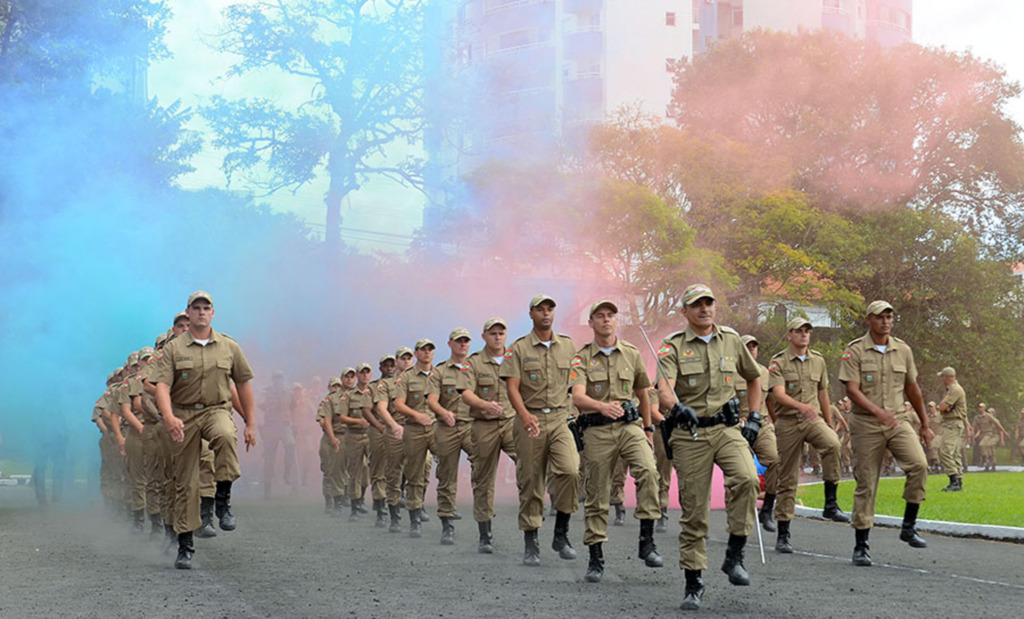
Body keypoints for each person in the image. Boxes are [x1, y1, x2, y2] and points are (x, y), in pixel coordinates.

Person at [656, 284, 762, 611]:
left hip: (727, 427)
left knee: (747, 479)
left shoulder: (731, 339)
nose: (704, 309)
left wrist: (755, 415)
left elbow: (754, 377)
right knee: (694, 508)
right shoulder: (671, 346)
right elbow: (663, 391)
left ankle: (734, 554)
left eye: (709, 303)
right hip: (691, 434)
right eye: (697, 305)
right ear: (685, 312)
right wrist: (677, 409)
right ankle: (694, 580)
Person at [150, 291, 257, 570]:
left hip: (216, 409)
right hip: (183, 415)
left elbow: (242, 385)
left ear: (213, 312)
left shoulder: (229, 347)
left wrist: (251, 423)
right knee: (185, 484)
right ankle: (185, 545)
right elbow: (161, 385)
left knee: (224, 435)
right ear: (188, 312)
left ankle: (223, 500)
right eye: (195, 308)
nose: (200, 312)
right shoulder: (174, 349)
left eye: (205, 307)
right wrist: (169, 416)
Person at [570, 300, 663, 583]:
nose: (606, 320)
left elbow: (643, 392)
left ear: (616, 320)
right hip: (597, 430)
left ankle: (646, 541)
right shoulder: (581, 357)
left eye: (611, 315)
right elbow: (577, 396)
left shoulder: (631, 354)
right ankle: (596, 556)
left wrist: (647, 430)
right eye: (600, 316)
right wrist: (601, 407)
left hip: (629, 426)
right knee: (598, 493)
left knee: (648, 471)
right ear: (592, 323)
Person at [838, 300, 931, 567]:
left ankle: (909, 526)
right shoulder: (854, 350)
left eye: (889, 316)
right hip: (866, 423)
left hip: (898, 420)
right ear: (869, 319)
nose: (886, 321)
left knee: (919, 464)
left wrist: (924, 424)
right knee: (867, 482)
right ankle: (861, 545)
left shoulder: (903, 350)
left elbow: (913, 389)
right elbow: (852, 390)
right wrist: (878, 413)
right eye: (880, 317)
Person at [500, 294, 580, 567]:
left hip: (559, 419)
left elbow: (576, 383)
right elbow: (512, 387)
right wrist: (524, 416)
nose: (546, 314)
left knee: (570, 470)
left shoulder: (568, 346)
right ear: (531, 314)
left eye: (550, 309)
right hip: (529, 420)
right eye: (540, 310)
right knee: (532, 481)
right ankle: (531, 541)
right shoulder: (519, 348)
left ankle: (561, 533)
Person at [769, 318, 850, 554]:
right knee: (787, 478)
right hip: (788, 422)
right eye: (799, 331)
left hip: (813, 419)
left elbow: (823, 392)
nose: (804, 334)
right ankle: (784, 533)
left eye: (807, 331)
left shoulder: (818, 361)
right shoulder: (778, 362)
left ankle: (830, 503)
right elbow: (777, 395)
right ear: (789, 335)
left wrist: (828, 420)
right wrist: (800, 406)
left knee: (833, 444)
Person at [461, 317, 518, 553]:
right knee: (483, 479)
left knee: (530, 467)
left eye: (501, 333)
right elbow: (465, 393)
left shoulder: (517, 359)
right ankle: (485, 533)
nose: (497, 337)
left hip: (512, 422)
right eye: (492, 333)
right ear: (484, 336)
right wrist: (484, 404)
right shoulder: (472, 362)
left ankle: (531, 527)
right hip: (484, 425)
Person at [428, 328, 478, 545]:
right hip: (447, 428)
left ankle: (484, 518)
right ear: (450, 344)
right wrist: (443, 413)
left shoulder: (476, 368)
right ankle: (447, 523)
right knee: (447, 475)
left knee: (483, 462)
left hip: (471, 426)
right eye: (459, 341)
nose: (463, 345)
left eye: (466, 341)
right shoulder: (439, 371)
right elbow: (431, 400)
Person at [393, 339, 439, 537]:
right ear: (417, 353)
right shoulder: (405, 378)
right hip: (412, 429)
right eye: (423, 350)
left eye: (430, 350)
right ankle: (414, 518)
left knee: (441, 467)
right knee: (413, 473)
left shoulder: (440, 374)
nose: (427, 353)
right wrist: (416, 415)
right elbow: (398, 405)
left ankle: (439, 512)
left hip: (436, 428)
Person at [736, 334, 778, 533]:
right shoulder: (731, 372)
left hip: (761, 424)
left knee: (776, 460)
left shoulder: (765, 373)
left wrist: (774, 421)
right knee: (739, 471)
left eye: (754, 346)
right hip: (737, 426)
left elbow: (770, 401)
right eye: (748, 346)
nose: (752, 349)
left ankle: (767, 508)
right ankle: (736, 515)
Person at [380, 347, 415, 532]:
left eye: (410, 358)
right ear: (397, 362)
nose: (407, 361)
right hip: (395, 430)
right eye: (403, 359)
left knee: (420, 471)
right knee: (393, 474)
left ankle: (416, 515)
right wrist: (394, 426)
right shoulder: (387, 384)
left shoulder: (425, 380)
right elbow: (381, 408)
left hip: (416, 430)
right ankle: (394, 515)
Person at [367, 355, 404, 527]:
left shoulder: (403, 383)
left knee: (397, 470)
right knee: (378, 470)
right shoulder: (373, 387)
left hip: (398, 428)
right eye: (386, 366)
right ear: (380, 368)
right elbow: (366, 410)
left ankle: (401, 507)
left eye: (392, 365)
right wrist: (379, 426)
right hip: (378, 429)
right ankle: (381, 509)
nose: (389, 368)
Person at [260, 370, 297, 499]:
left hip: (284, 425)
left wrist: (293, 422)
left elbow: (293, 407)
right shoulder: (266, 392)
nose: (278, 380)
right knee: (269, 458)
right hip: (271, 427)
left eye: (280, 378)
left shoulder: (289, 393)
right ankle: (267, 488)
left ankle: (287, 473)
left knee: (291, 446)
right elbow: (260, 405)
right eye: (276, 378)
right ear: (272, 380)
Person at [936, 367, 967, 491]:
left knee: (945, 451)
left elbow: (942, 407)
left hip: (952, 424)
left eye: (943, 376)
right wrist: (947, 408)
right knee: (954, 453)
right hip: (953, 423)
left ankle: (953, 480)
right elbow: (943, 407)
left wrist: (946, 407)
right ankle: (958, 481)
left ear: (948, 377)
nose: (942, 379)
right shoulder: (952, 389)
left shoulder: (954, 390)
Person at [316, 377, 344, 513]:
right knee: (328, 470)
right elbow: (322, 421)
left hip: (343, 436)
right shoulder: (326, 402)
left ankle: (342, 499)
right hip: (328, 438)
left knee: (342, 470)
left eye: (339, 386)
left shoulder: (345, 400)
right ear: (329, 387)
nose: (336, 388)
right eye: (334, 386)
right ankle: (329, 500)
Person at [974, 406, 1010, 471]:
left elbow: (1000, 430)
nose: (989, 413)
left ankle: (993, 464)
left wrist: (1002, 439)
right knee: (986, 448)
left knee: (990, 448)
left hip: (995, 436)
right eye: (989, 412)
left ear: (994, 413)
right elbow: (979, 428)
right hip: (988, 436)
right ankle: (987, 464)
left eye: (991, 412)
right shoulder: (986, 419)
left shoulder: (995, 421)